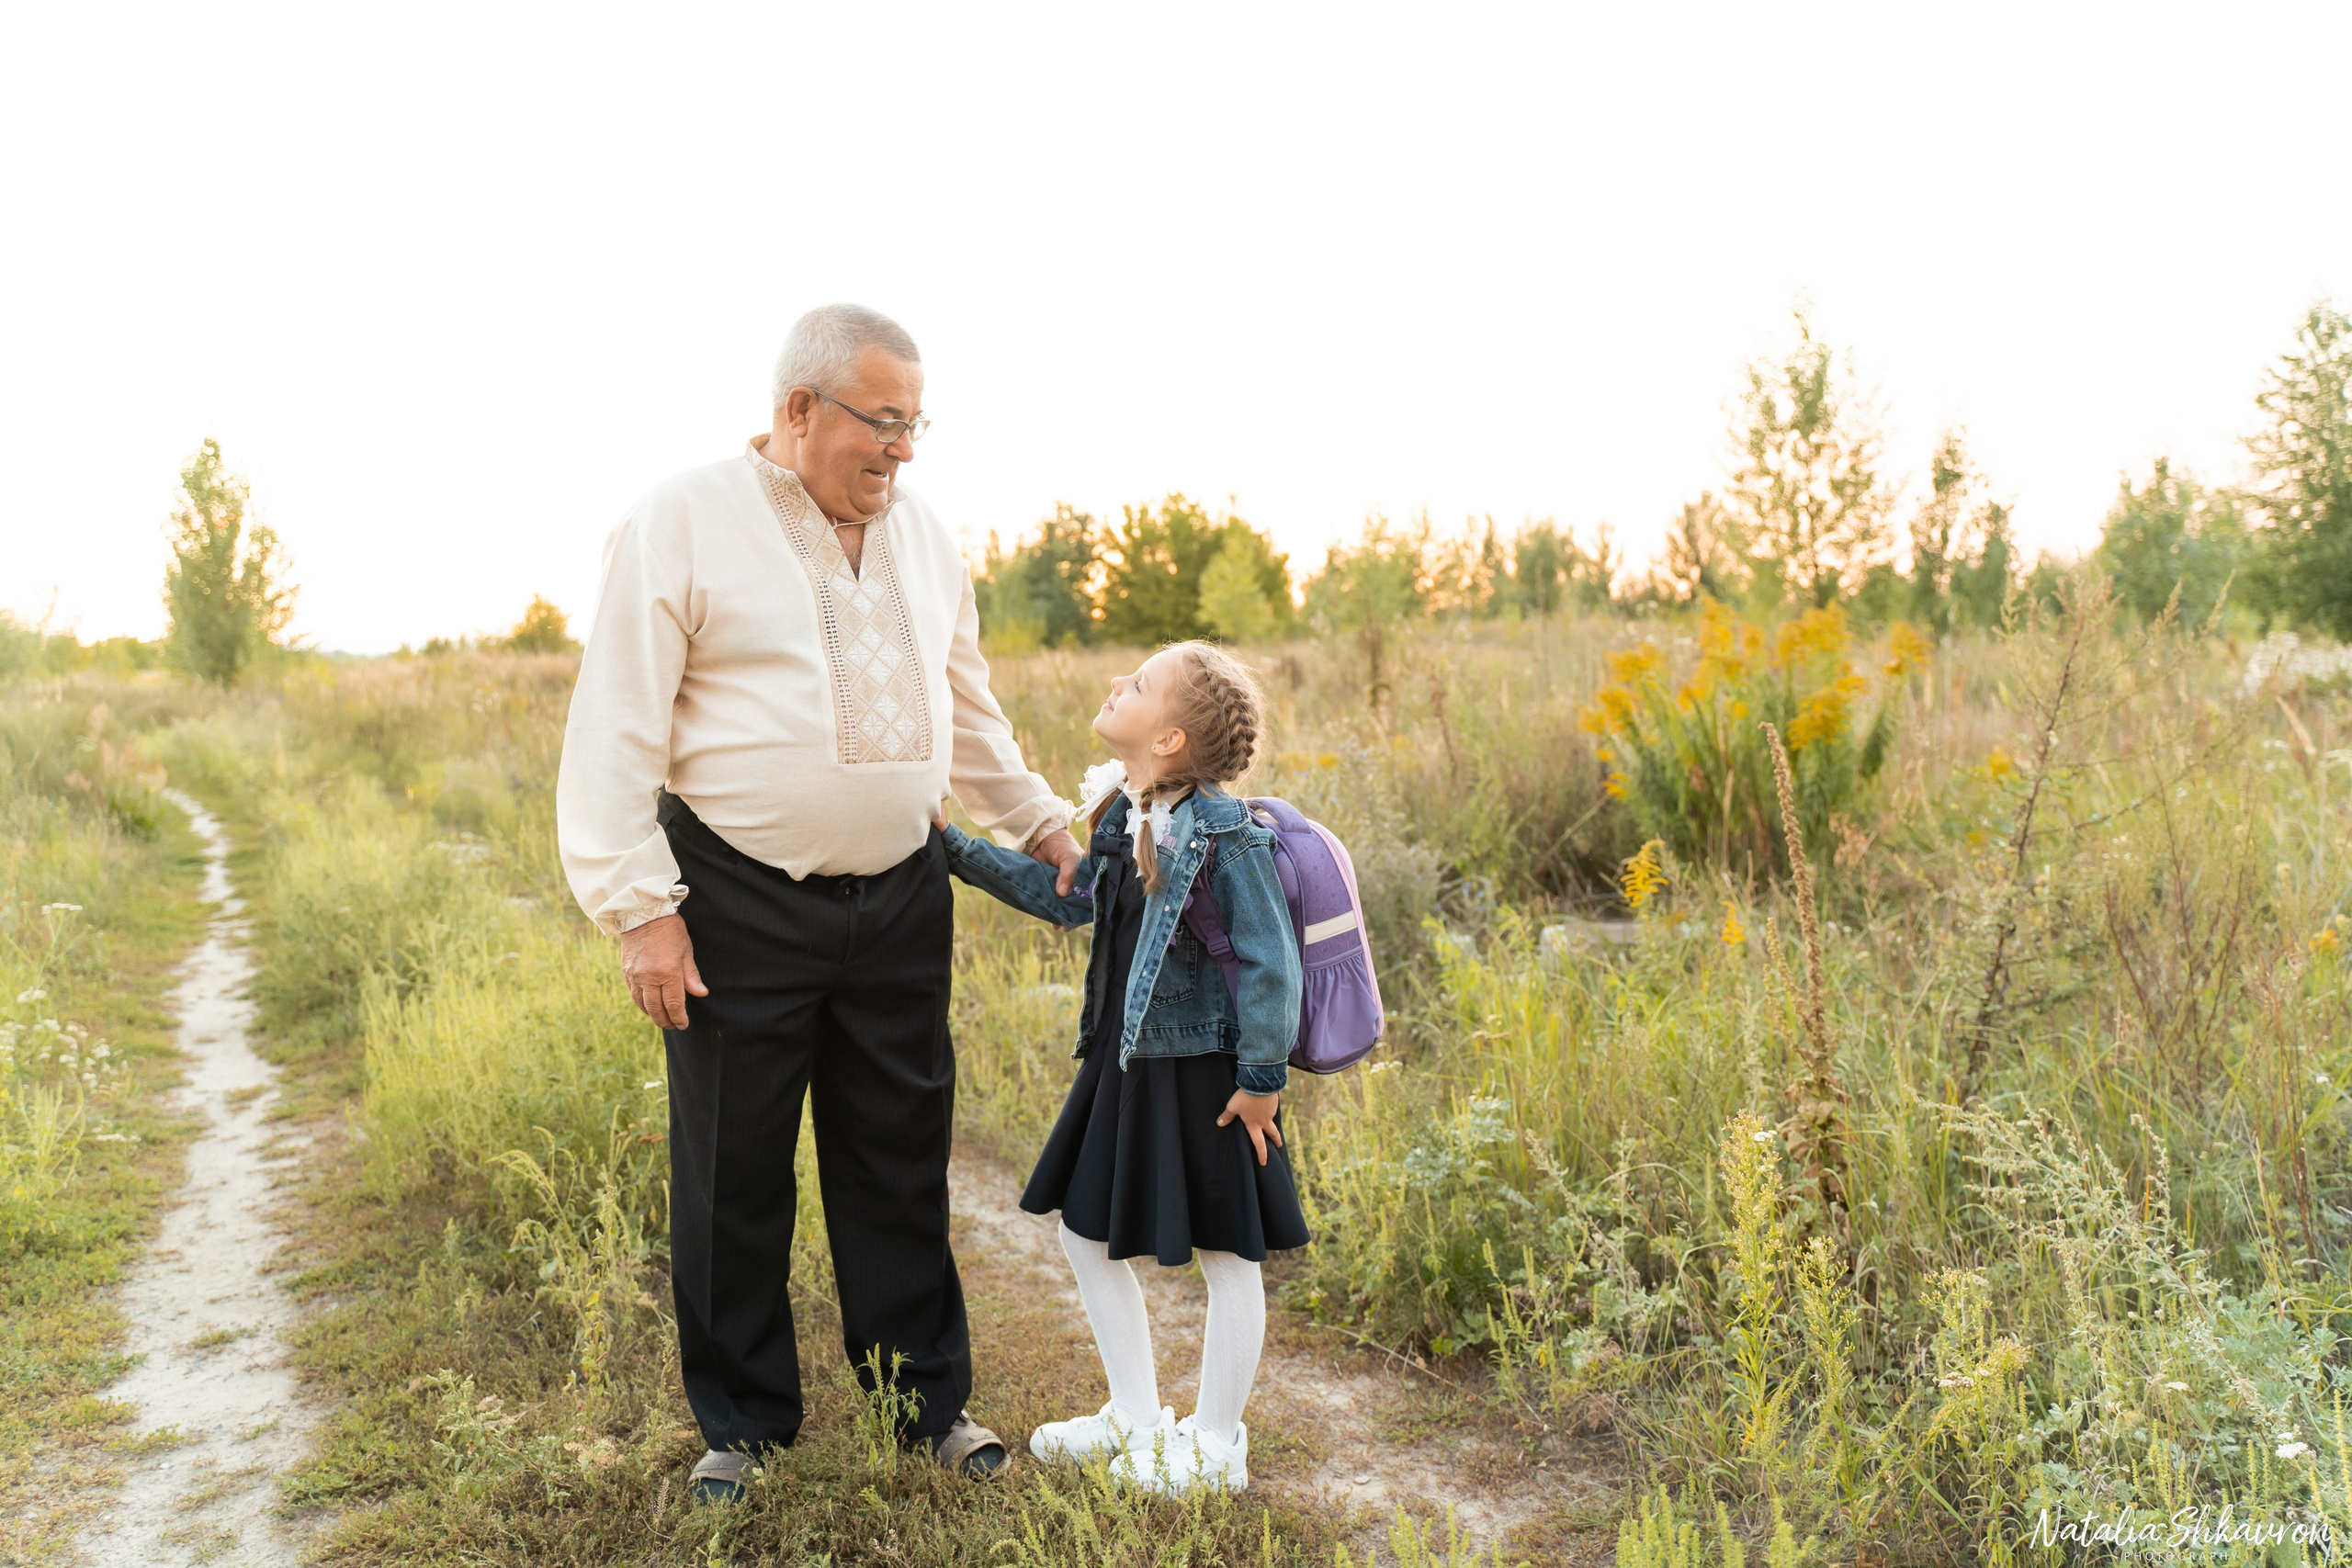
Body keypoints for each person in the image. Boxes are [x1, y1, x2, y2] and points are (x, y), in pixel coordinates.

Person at [554, 303, 1085, 1501]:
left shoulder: (927, 536)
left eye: (915, 425)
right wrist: (640, 905)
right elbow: (612, 731)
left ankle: (922, 1406)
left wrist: (1044, 823)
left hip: (902, 894)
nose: (902, 451)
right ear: (800, 410)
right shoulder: (680, 520)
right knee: (735, 1164)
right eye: (881, 423)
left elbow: (971, 707)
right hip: (734, 897)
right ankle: (744, 1427)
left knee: (899, 1155)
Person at [938, 640, 1307, 1494]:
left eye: (1138, 683)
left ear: (1170, 738)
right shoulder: (1120, 814)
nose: (1116, 682)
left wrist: (1261, 1080)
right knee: (1083, 1230)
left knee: (1228, 1253)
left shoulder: (1227, 834)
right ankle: (1136, 1415)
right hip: (1127, 1059)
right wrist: (952, 846)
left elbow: (1270, 963)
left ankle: (1217, 1444)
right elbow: (1063, 898)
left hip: (1209, 1074)